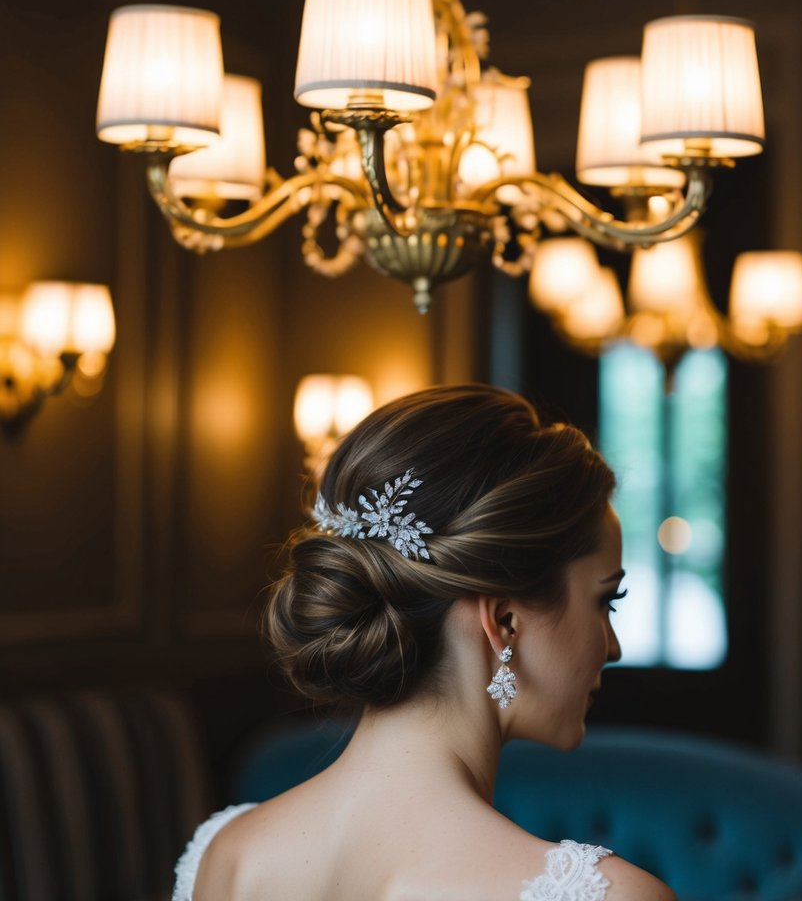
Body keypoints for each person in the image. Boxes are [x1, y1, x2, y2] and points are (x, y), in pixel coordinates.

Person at [174, 383, 676, 901]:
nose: (611, 647)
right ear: (504, 620)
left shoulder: (225, 857)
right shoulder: (606, 897)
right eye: (604, 603)